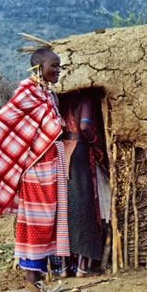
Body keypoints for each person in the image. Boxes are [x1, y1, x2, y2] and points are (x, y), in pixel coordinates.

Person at [0, 48, 69, 284]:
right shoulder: (27, 93)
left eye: (59, 66)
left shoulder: (47, 94)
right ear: (38, 67)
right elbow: (1, 121)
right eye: (54, 65)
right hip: (36, 169)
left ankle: (39, 275)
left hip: (51, 164)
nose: (58, 70)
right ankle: (31, 276)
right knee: (35, 220)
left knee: (50, 218)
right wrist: (23, 156)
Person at [59, 94, 105, 277]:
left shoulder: (60, 100)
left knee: (65, 207)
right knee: (84, 206)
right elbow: (85, 125)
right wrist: (96, 142)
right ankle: (82, 267)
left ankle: (63, 267)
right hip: (79, 152)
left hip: (62, 150)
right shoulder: (84, 100)